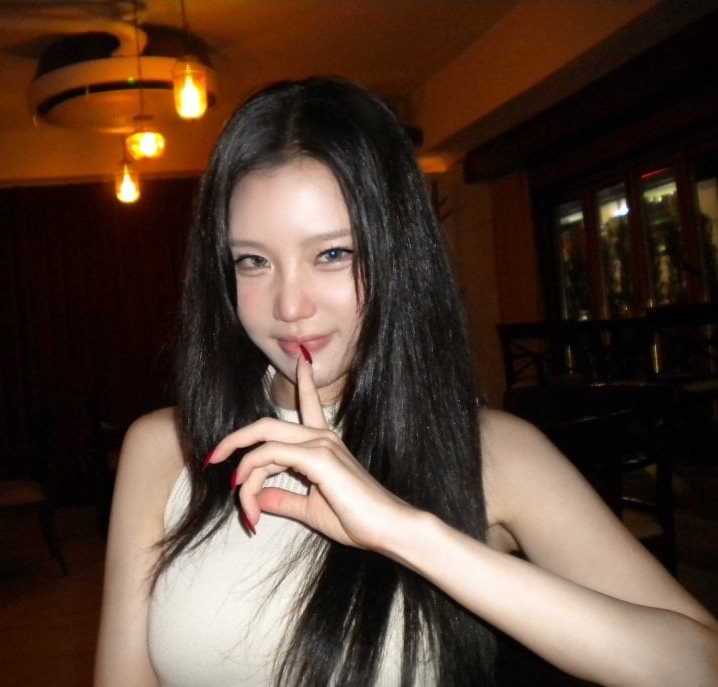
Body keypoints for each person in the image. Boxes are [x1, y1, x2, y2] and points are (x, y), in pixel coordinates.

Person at [94, 77, 717, 686]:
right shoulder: (164, 448)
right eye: (253, 261)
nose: (289, 306)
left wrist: (405, 533)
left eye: (333, 254)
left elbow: (700, 664)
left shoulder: (493, 452)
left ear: (397, 255)